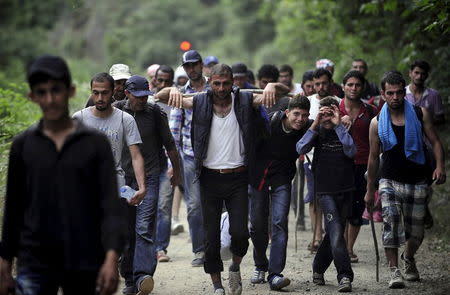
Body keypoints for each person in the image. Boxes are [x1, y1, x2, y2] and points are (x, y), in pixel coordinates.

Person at [156, 63, 290, 295]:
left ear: (233, 83)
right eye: (216, 83)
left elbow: (284, 91)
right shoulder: (198, 101)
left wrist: (270, 85)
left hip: (238, 177)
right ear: (209, 82)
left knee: (240, 233)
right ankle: (218, 285)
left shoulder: (246, 101)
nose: (221, 88)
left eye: (226, 83)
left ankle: (235, 266)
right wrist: (175, 91)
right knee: (211, 238)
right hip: (208, 178)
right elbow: (159, 95)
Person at [0, 55, 126, 295]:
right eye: (41, 92)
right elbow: (14, 207)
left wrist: (111, 258)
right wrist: (5, 262)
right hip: (34, 258)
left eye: (56, 91)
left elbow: (110, 206)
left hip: (85, 257)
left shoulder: (95, 144)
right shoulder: (23, 145)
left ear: (70, 91)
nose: (50, 99)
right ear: (32, 97)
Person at [365, 71, 446, 289]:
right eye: (389, 93)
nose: (395, 97)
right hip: (389, 180)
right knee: (391, 223)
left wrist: (440, 166)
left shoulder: (421, 114)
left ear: (404, 92)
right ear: (383, 94)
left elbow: (436, 142)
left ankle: (408, 258)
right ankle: (394, 271)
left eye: (399, 92)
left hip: (418, 180)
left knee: (416, 232)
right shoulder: (376, 123)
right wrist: (369, 188)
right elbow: (373, 158)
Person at [114, 75, 182, 295]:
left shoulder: (154, 113)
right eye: (138, 97)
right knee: (126, 230)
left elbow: (170, 145)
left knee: (143, 228)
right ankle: (130, 278)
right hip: (124, 179)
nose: (143, 100)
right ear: (127, 94)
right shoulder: (116, 112)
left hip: (151, 176)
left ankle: (142, 276)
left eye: (146, 96)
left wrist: (177, 173)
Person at [249, 95, 312, 291]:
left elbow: (325, 126)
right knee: (257, 226)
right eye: (296, 114)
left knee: (279, 223)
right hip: (258, 177)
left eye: (304, 115)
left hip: (282, 180)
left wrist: (340, 119)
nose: (299, 119)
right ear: (287, 113)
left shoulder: (307, 126)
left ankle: (275, 274)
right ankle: (260, 265)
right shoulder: (268, 123)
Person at [297, 97, 356, 293]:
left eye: (331, 112)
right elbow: (300, 148)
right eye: (324, 112)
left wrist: (338, 125)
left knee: (333, 233)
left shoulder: (344, 127)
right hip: (324, 190)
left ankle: (318, 267)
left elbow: (351, 151)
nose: (327, 116)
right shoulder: (317, 131)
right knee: (337, 233)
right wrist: (315, 123)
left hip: (346, 188)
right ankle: (345, 275)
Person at [161, 49, 209, 266]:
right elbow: (174, 131)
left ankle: (218, 245)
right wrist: (173, 163)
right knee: (195, 204)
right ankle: (200, 250)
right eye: (187, 66)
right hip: (190, 156)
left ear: (201, 65)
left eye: (194, 64)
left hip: (217, 156)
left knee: (219, 203)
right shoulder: (179, 93)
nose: (192, 69)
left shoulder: (216, 87)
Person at [338, 70, 377, 264]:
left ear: (363, 87)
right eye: (350, 84)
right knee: (340, 207)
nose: (354, 88)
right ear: (343, 86)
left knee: (357, 207)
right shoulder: (335, 108)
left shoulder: (371, 111)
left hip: (363, 165)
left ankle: (348, 247)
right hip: (339, 165)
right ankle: (340, 245)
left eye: (358, 85)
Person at [405, 60, 445, 125]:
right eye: (416, 73)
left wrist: (426, 120)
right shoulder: (401, 93)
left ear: (427, 75)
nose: (419, 76)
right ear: (410, 73)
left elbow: (441, 119)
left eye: (423, 74)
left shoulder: (434, 95)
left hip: (428, 134)